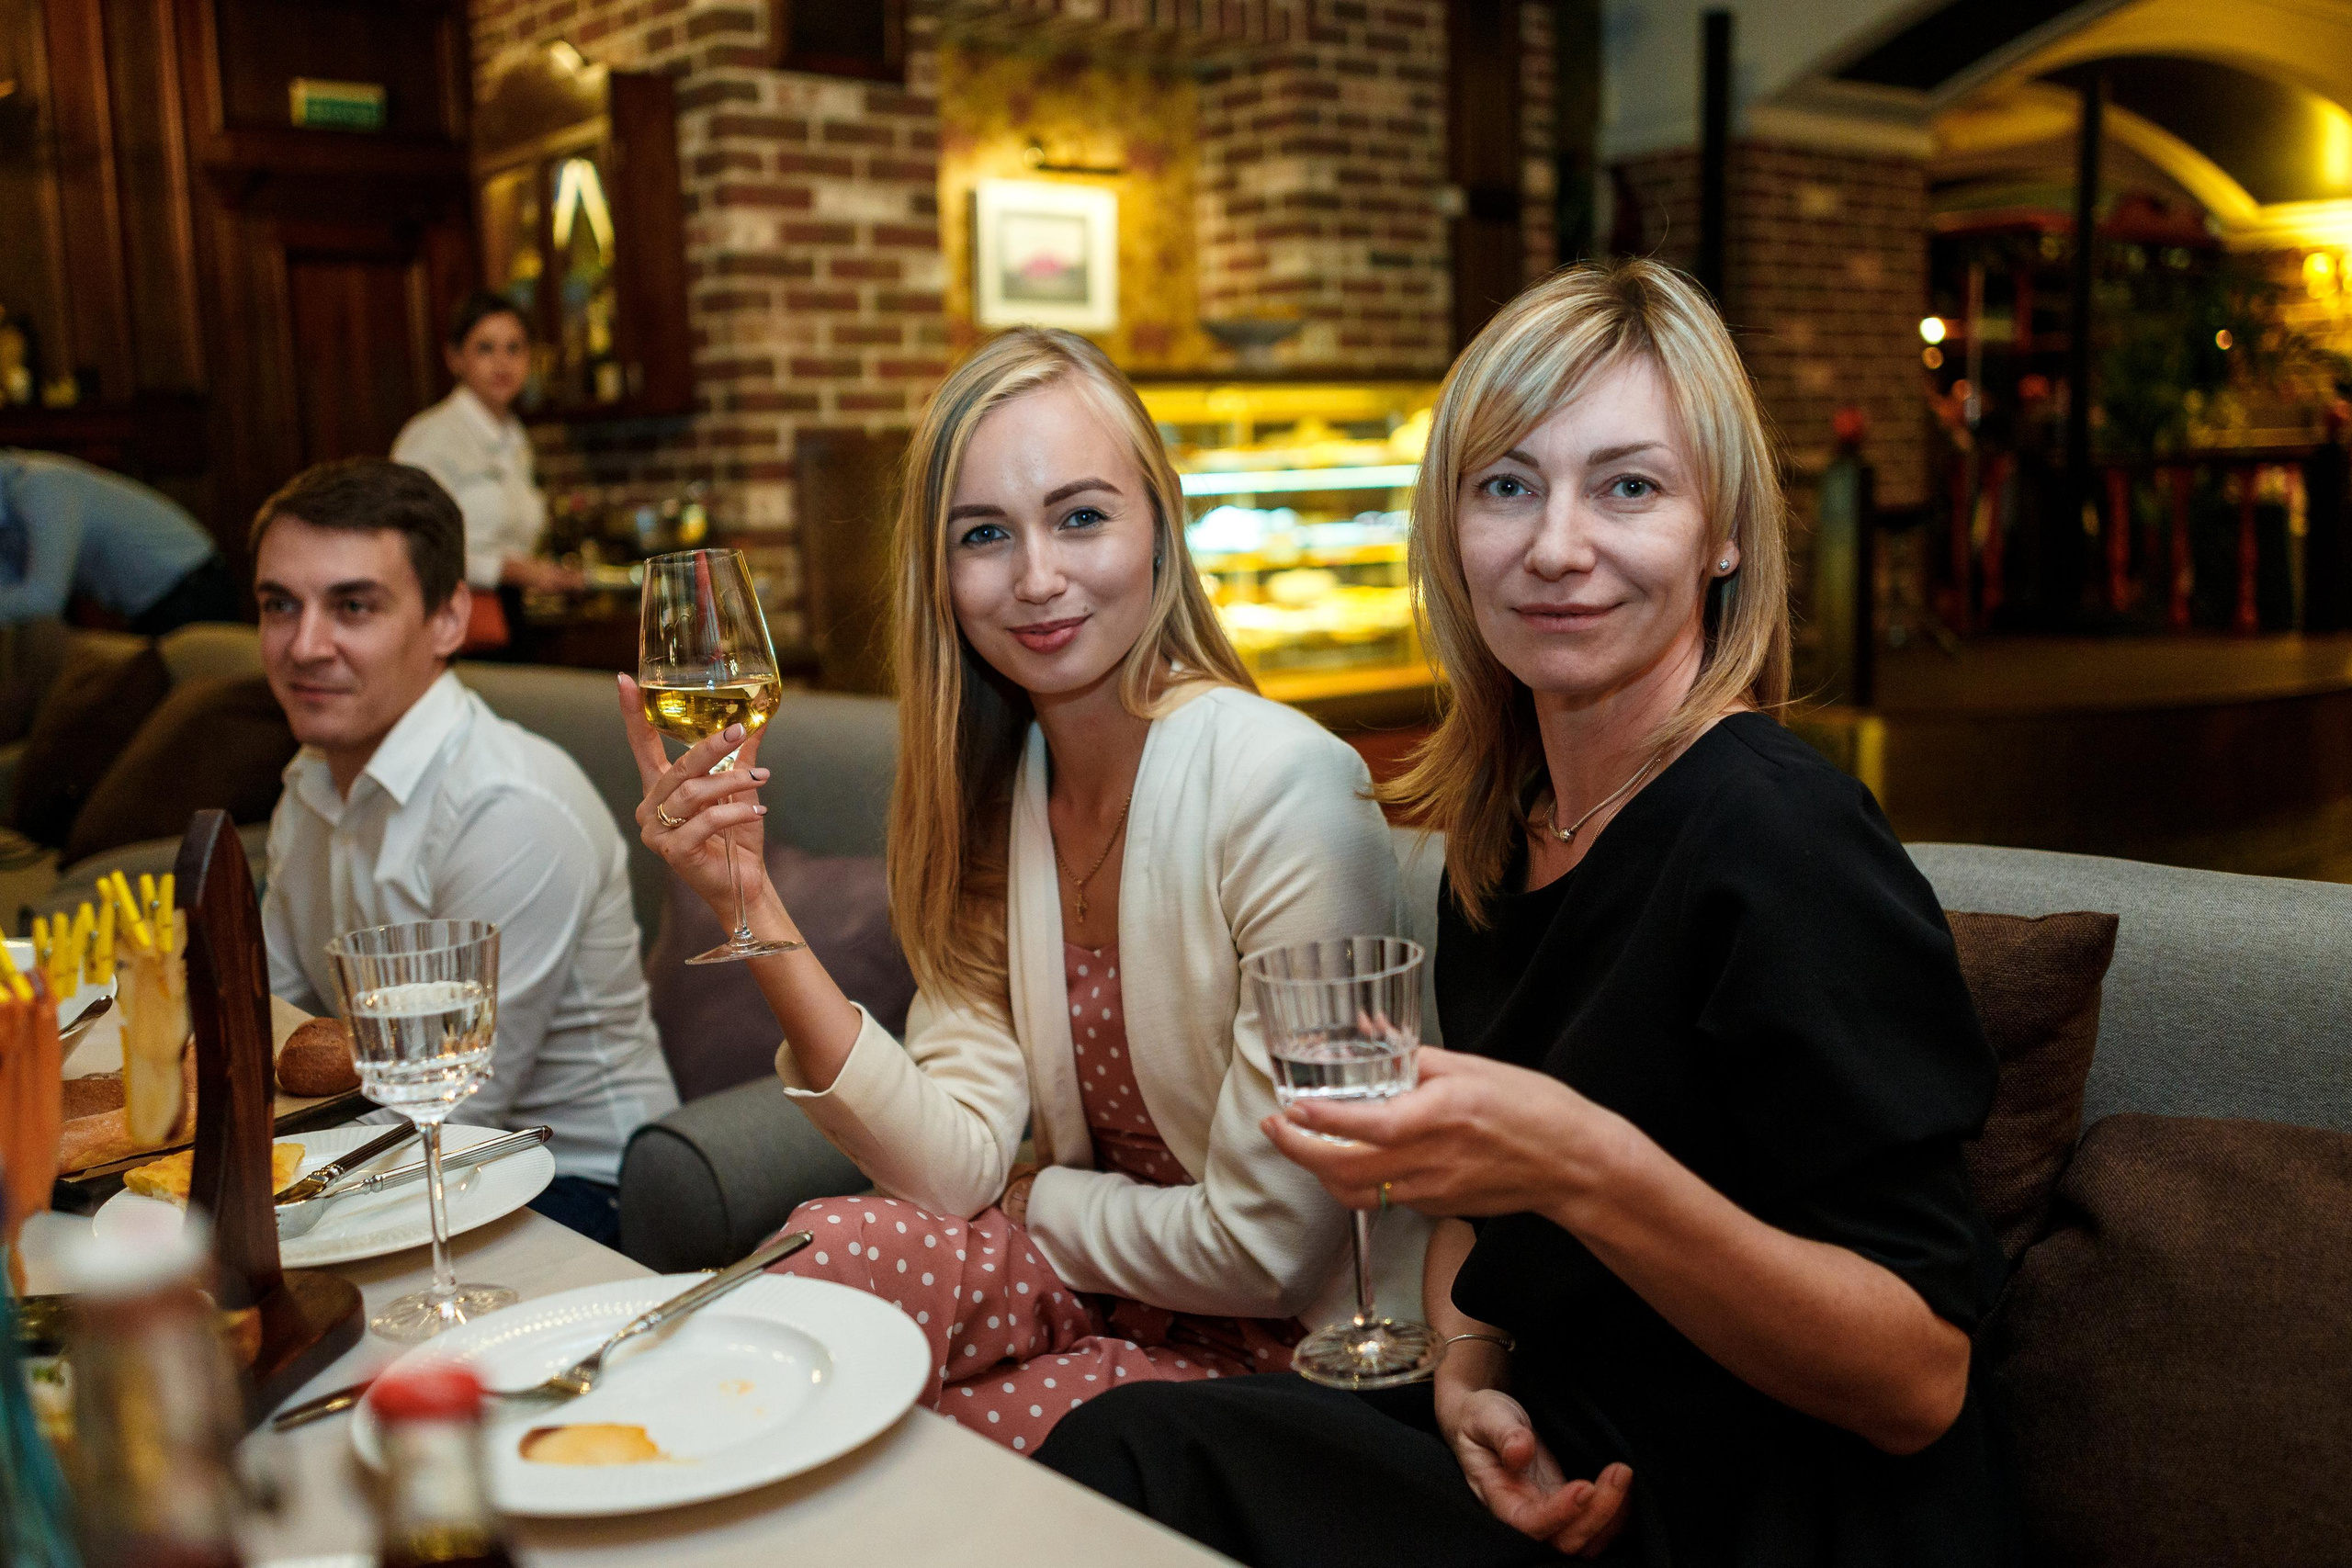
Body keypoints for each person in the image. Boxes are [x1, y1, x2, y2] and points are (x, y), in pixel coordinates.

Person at [1038, 260, 2019, 1567]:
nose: (1557, 546)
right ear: (1452, 530)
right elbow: (1470, 1206)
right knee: (1111, 1454)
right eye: (1507, 485)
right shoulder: (1511, 827)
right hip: (1560, 1454)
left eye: (1629, 485)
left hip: (1764, 1507)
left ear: (1721, 530)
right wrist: (1466, 1371)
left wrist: (1586, 1162)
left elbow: (1920, 1378)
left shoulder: (1781, 835)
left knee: (1128, 1469)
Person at [623, 327, 1420, 1454]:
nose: (1037, 577)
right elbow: (951, 1167)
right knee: (813, 1272)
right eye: (985, 535)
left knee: (890, 1458)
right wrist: (746, 902)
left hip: (1287, 1340)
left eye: (1082, 517)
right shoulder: (1002, 788)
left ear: (1160, 527)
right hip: (1105, 1288)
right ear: (939, 574)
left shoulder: (1281, 782)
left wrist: (1037, 1201)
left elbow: (1270, 1249)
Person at [254, 457, 676, 1247]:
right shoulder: (308, 783)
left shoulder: (505, 808)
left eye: (353, 605)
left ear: (449, 618)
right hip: (400, 1152)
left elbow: (458, 1111)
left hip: (580, 1188)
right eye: (280, 605)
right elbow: (280, 1033)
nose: (305, 644)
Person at [391, 291, 582, 601]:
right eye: (485, 348)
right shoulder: (430, 436)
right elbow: (410, 544)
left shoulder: (515, 436)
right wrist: (511, 570)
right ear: (455, 357)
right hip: (454, 610)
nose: (502, 363)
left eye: (514, 348)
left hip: (511, 610)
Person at [0, 449, 237, 630]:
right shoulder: (9, 507)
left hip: (192, 588)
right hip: (153, 603)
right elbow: (13, 593)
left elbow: (43, 599)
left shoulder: (41, 485)